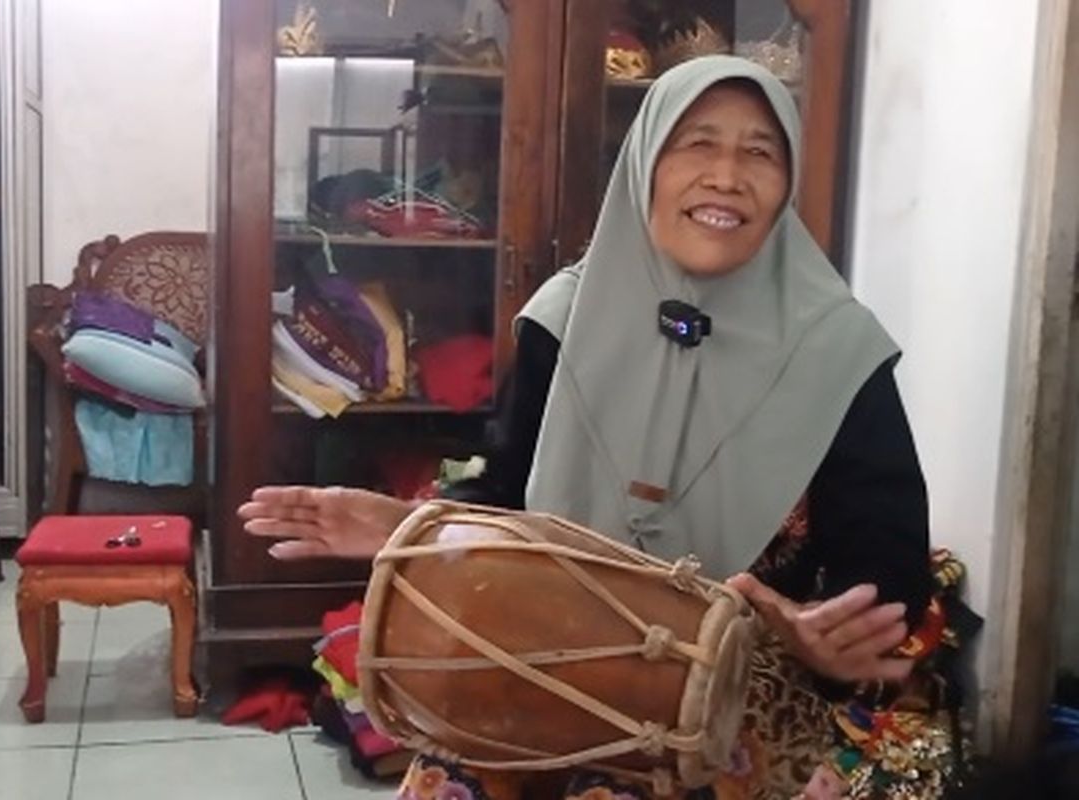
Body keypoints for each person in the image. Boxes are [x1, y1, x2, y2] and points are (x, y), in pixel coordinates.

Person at [240, 55, 957, 799]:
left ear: (787, 184)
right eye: (697, 143)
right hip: (553, 653)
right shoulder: (565, 318)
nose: (727, 175)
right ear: (646, 163)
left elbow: (886, 563)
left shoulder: (837, 347)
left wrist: (819, 631)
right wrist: (414, 527)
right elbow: (511, 501)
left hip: (749, 678)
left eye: (760, 152)